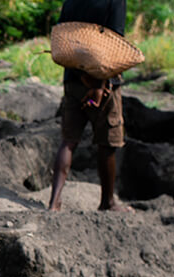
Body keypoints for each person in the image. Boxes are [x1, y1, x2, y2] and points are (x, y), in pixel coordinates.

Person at [47, 0, 133, 212]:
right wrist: (99, 84)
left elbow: (62, 37)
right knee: (107, 143)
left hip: (73, 79)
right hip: (103, 85)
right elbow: (113, 41)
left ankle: (54, 202)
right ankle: (107, 202)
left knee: (68, 141)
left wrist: (82, 76)